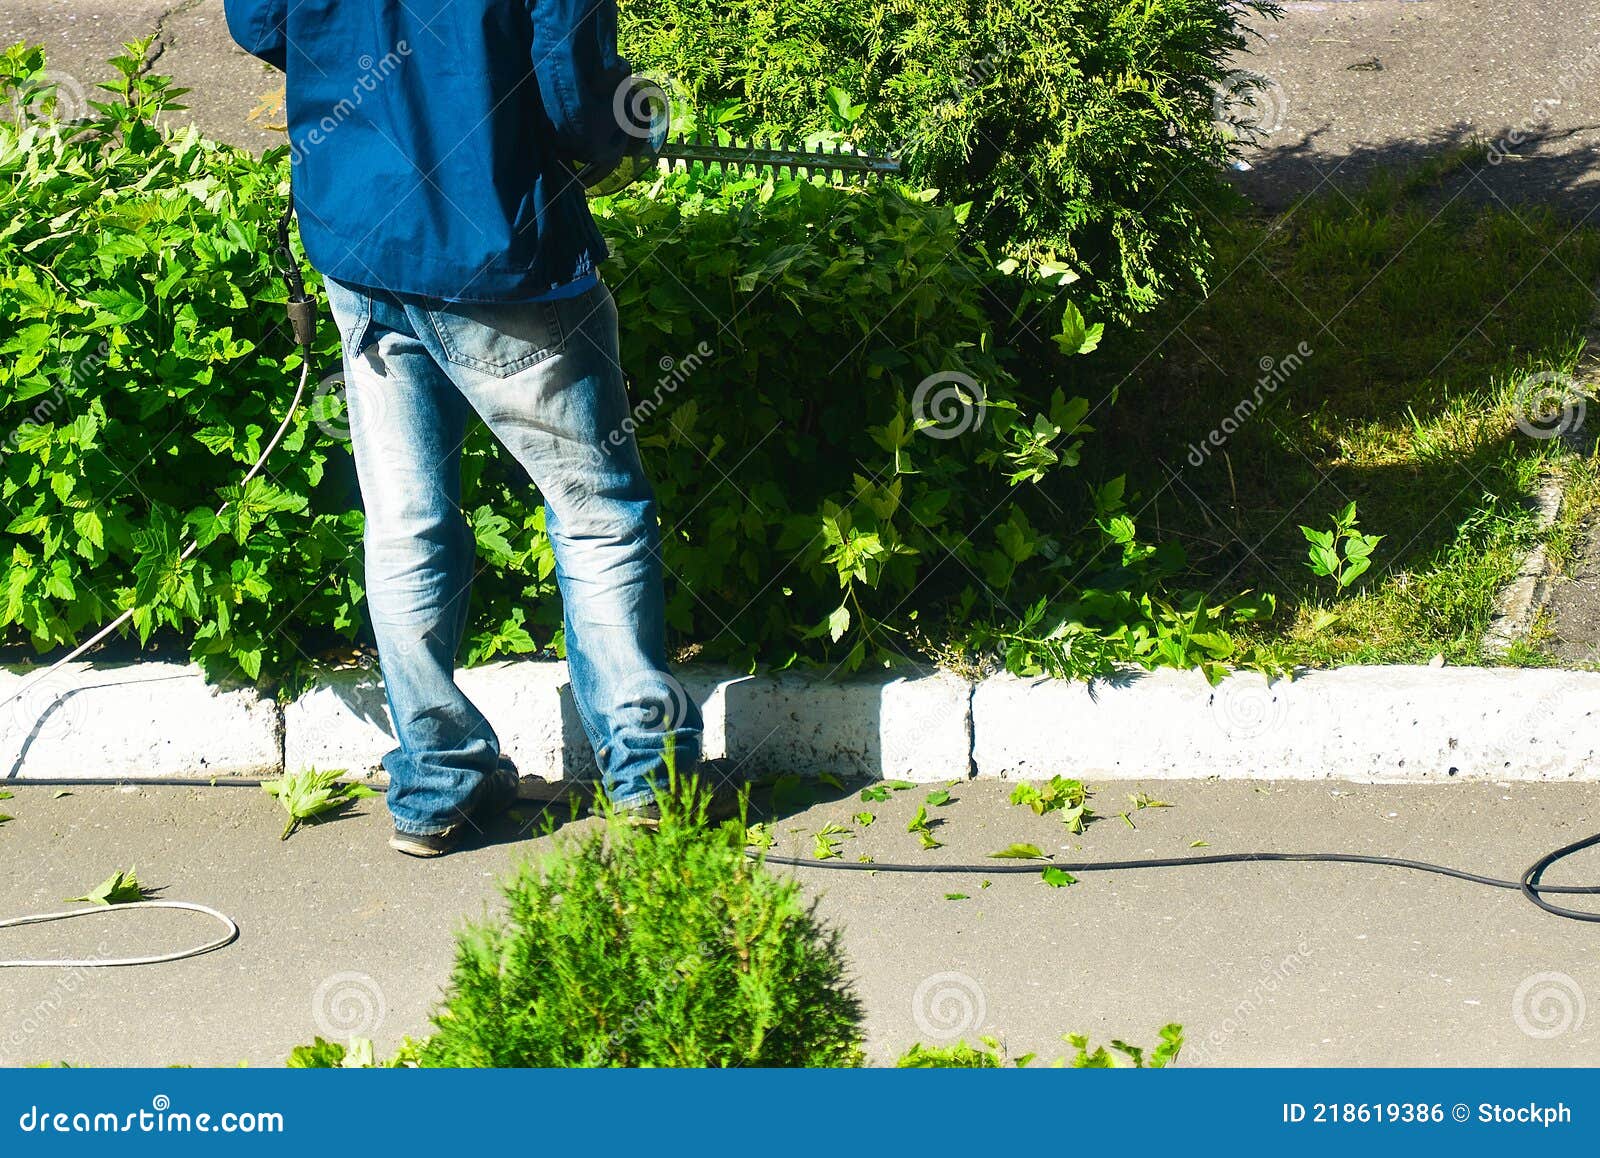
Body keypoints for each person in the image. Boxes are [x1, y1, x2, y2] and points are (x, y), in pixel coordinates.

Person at [224, 0, 703, 856]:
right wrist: (631, 129)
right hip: (503, 246)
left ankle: (437, 780)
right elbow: (576, 92)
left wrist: (377, 97)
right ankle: (645, 775)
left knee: (406, 521)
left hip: (360, 238)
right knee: (598, 513)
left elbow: (260, 22)